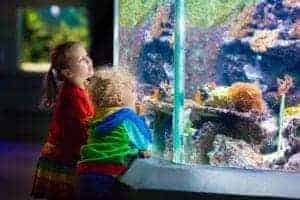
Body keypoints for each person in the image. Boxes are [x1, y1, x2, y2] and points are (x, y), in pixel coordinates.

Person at [31, 41, 95, 200]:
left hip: (66, 154)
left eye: (87, 57)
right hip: (65, 159)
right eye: (82, 60)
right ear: (68, 73)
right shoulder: (73, 96)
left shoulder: (81, 89)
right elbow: (85, 126)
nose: (88, 61)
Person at [77, 67, 152, 200]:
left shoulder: (98, 116)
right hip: (111, 174)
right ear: (119, 98)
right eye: (133, 91)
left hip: (86, 173)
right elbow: (146, 143)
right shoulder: (127, 117)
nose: (136, 96)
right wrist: (140, 117)